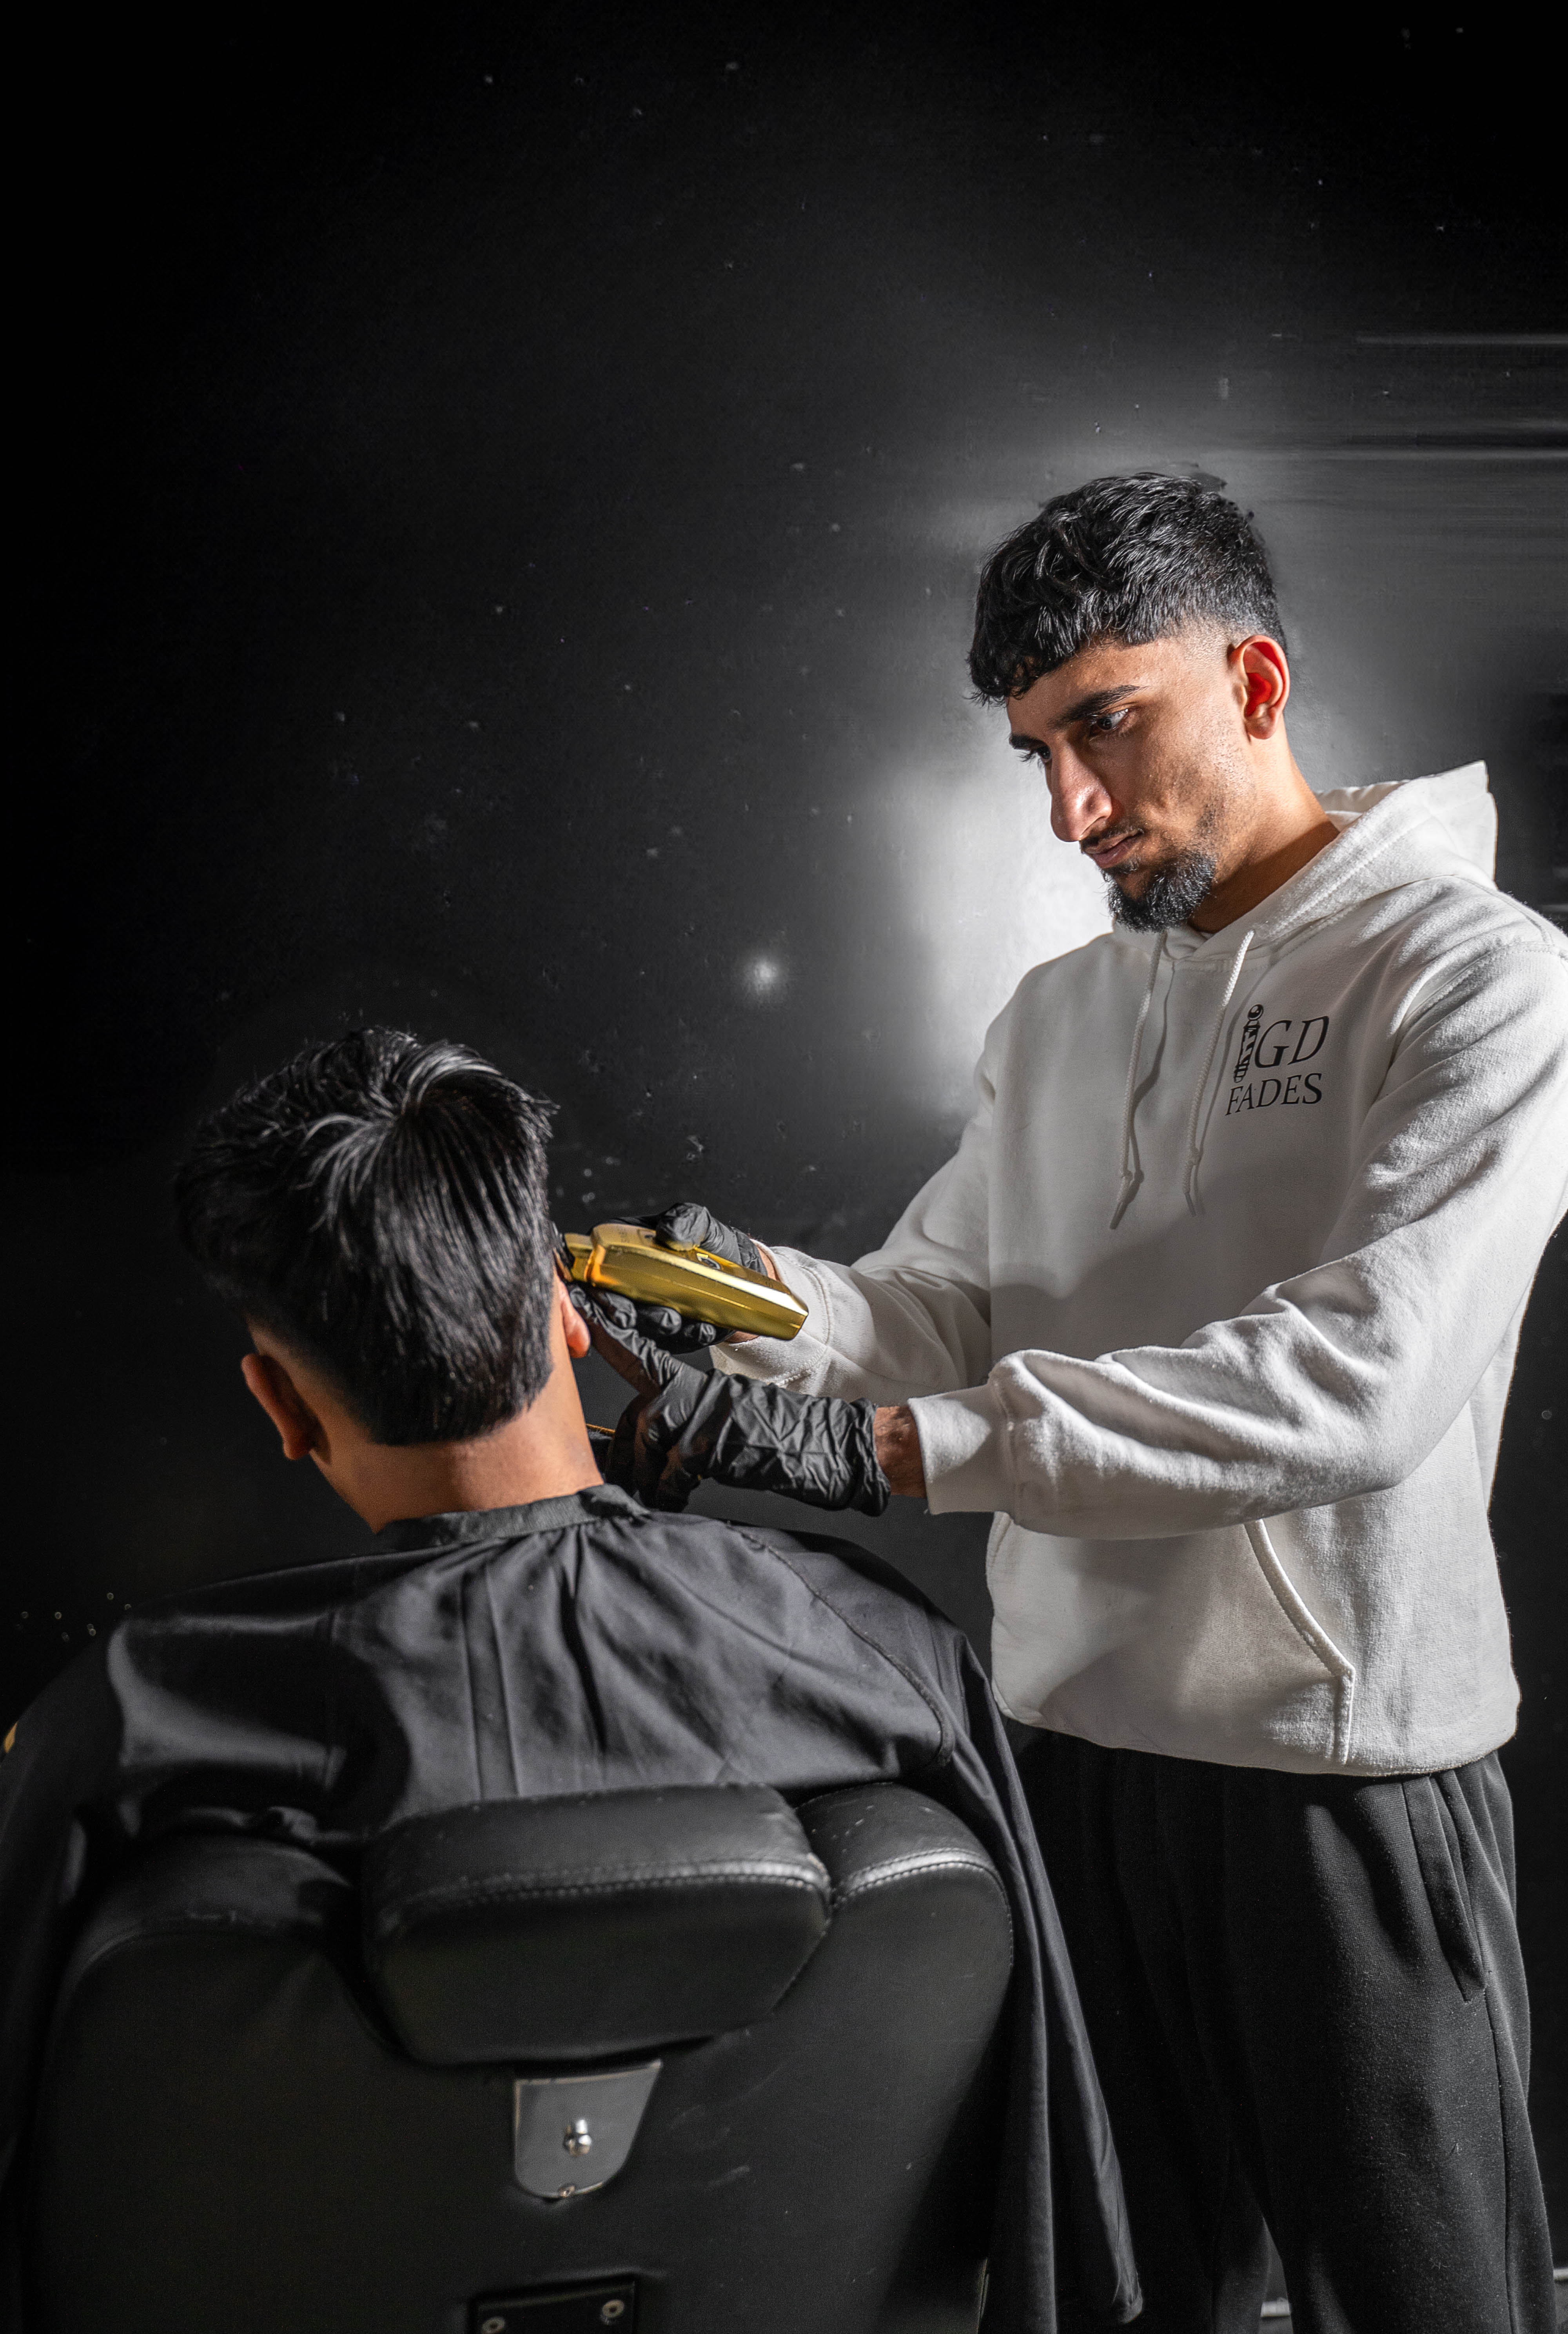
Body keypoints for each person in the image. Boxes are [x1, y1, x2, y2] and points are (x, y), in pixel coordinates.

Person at [590, 475, 1568, 2334]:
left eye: (1106, 726)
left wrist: (890, 1452)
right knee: (1111, 2306)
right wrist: (738, 1306)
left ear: (1254, 682)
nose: (1069, 809)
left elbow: (1354, 1381)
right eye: (1035, 752)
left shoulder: (1479, 982)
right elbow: (941, 1311)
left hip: (1337, 1780)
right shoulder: (1055, 1014)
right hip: (1070, 1762)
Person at [0, 1027, 1136, 2334]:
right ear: (570, 1317)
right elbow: (1047, 2179)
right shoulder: (890, 1654)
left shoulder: (134, 1720)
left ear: (282, 1406)